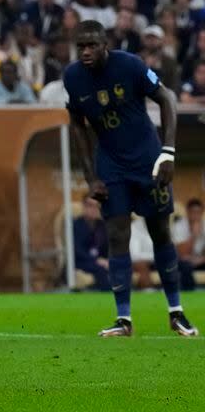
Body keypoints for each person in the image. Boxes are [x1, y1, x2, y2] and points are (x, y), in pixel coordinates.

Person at [64, 20, 197, 337]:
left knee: (160, 232)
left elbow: (167, 99)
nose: (85, 51)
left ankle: (176, 312)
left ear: (105, 43)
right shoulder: (73, 78)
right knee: (117, 235)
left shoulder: (130, 65)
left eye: (91, 45)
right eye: (80, 46)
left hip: (148, 160)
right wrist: (91, 176)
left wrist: (167, 153)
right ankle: (124, 319)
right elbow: (78, 126)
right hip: (111, 166)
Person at [73, 195, 110, 291]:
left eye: (97, 206)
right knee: (100, 270)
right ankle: (108, 297)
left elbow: (108, 247)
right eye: (90, 205)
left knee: (119, 265)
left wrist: (109, 260)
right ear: (84, 207)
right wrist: (96, 260)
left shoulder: (102, 225)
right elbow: (77, 250)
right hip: (81, 261)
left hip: (100, 261)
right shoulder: (76, 225)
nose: (94, 209)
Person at [174, 198, 205, 291]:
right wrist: (194, 236)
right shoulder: (179, 226)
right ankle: (189, 293)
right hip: (184, 260)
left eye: (198, 212)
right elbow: (182, 253)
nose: (195, 215)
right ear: (187, 212)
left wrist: (201, 259)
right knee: (185, 266)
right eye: (193, 212)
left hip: (200, 259)